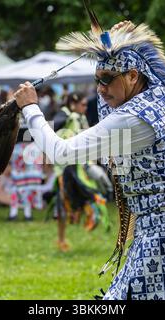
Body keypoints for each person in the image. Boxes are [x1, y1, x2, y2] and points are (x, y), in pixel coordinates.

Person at [13, 20, 165, 300]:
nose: (100, 89)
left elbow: (60, 153)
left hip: (163, 234)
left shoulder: (132, 119)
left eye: (107, 79)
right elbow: (114, 99)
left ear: (133, 76)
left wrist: (30, 108)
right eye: (97, 79)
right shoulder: (163, 95)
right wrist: (121, 37)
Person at [51, 92, 110, 252]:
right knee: (63, 202)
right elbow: (54, 137)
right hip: (66, 169)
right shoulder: (65, 117)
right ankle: (61, 239)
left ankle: (90, 214)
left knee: (95, 190)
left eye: (85, 105)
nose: (85, 108)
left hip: (81, 166)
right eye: (82, 105)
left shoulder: (80, 118)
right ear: (73, 104)